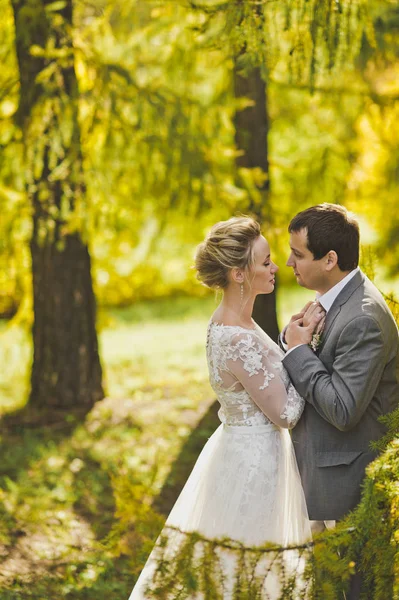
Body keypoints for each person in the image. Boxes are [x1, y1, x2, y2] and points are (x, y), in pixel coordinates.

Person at [128, 216, 320, 599]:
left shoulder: (236, 322)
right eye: (265, 262)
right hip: (255, 464)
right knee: (249, 566)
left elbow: (263, 375)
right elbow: (285, 414)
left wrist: (290, 337)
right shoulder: (236, 337)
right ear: (238, 274)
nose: (275, 267)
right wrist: (305, 349)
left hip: (240, 449)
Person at [281, 203, 399, 599]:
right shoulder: (333, 303)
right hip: (329, 478)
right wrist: (297, 339)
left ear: (330, 259)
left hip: (351, 489)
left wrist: (299, 353)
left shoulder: (362, 317)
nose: (288, 262)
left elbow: (343, 410)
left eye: (298, 254)